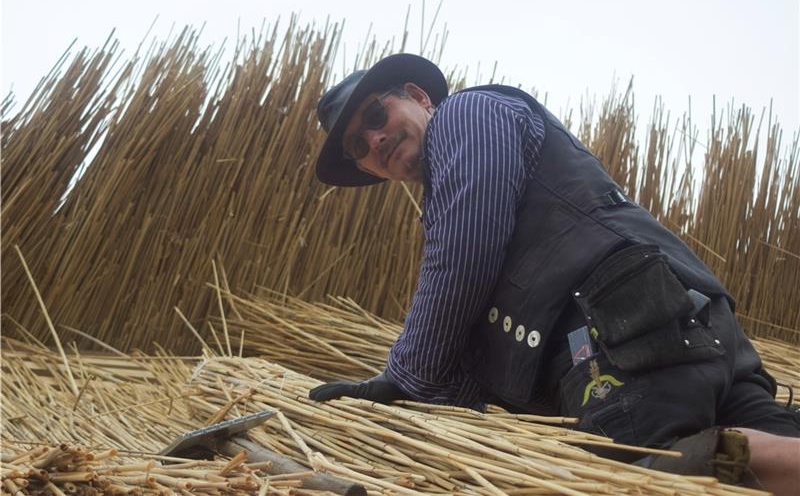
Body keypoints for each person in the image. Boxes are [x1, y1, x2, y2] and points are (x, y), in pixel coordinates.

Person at [308, 53, 800, 492]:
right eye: (358, 146)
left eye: (377, 114)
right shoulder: (451, 182)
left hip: (630, 333)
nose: (375, 139)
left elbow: (463, 251)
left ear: (418, 96)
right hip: (679, 329)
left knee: (641, 477)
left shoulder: (468, 115)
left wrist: (404, 373)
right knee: (775, 464)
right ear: (368, 169)